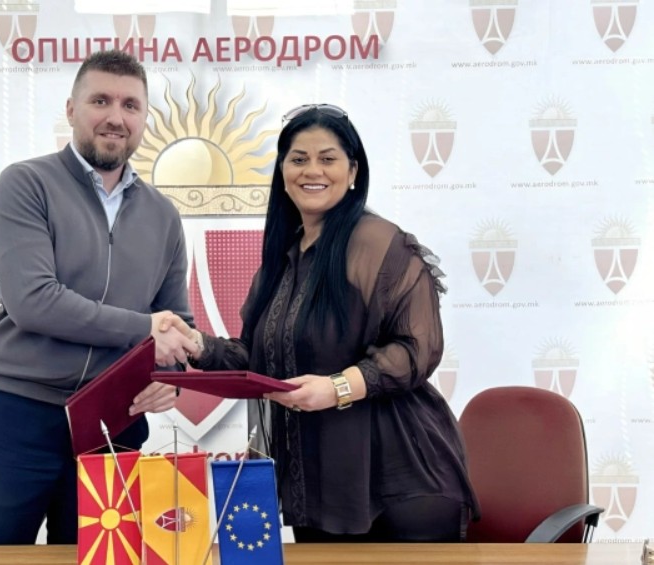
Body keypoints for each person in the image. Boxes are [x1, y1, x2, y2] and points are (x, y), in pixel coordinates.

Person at [164, 104, 478, 542]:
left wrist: (337, 388)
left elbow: (416, 349)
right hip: (317, 488)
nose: (313, 170)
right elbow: (256, 360)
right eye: (299, 159)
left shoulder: (378, 243)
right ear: (282, 172)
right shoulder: (281, 258)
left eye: (327, 158)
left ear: (353, 172)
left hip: (398, 483)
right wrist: (197, 344)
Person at [0, 49, 197, 545]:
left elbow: (177, 323)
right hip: (17, 417)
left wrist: (171, 378)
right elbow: (34, 301)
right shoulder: (26, 184)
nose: (116, 117)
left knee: (101, 559)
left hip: (112, 424)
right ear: (71, 110)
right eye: (100, 101)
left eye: (131, 105)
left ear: (144, 118)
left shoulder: (163, 215)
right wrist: (144, 328)